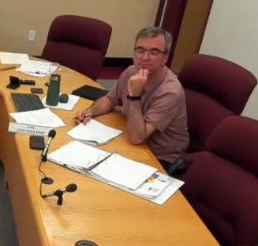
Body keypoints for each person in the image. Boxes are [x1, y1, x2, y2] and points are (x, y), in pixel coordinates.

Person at [74, 27, 188, 172]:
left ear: (165, 58)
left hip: (159, 156)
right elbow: (110, 100)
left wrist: (134, 95)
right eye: (140, 50)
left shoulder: (170, 91)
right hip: (133, 140)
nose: (145, 57)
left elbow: (137, 138)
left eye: (154, 52)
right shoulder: (131, 71)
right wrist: (88, 112)